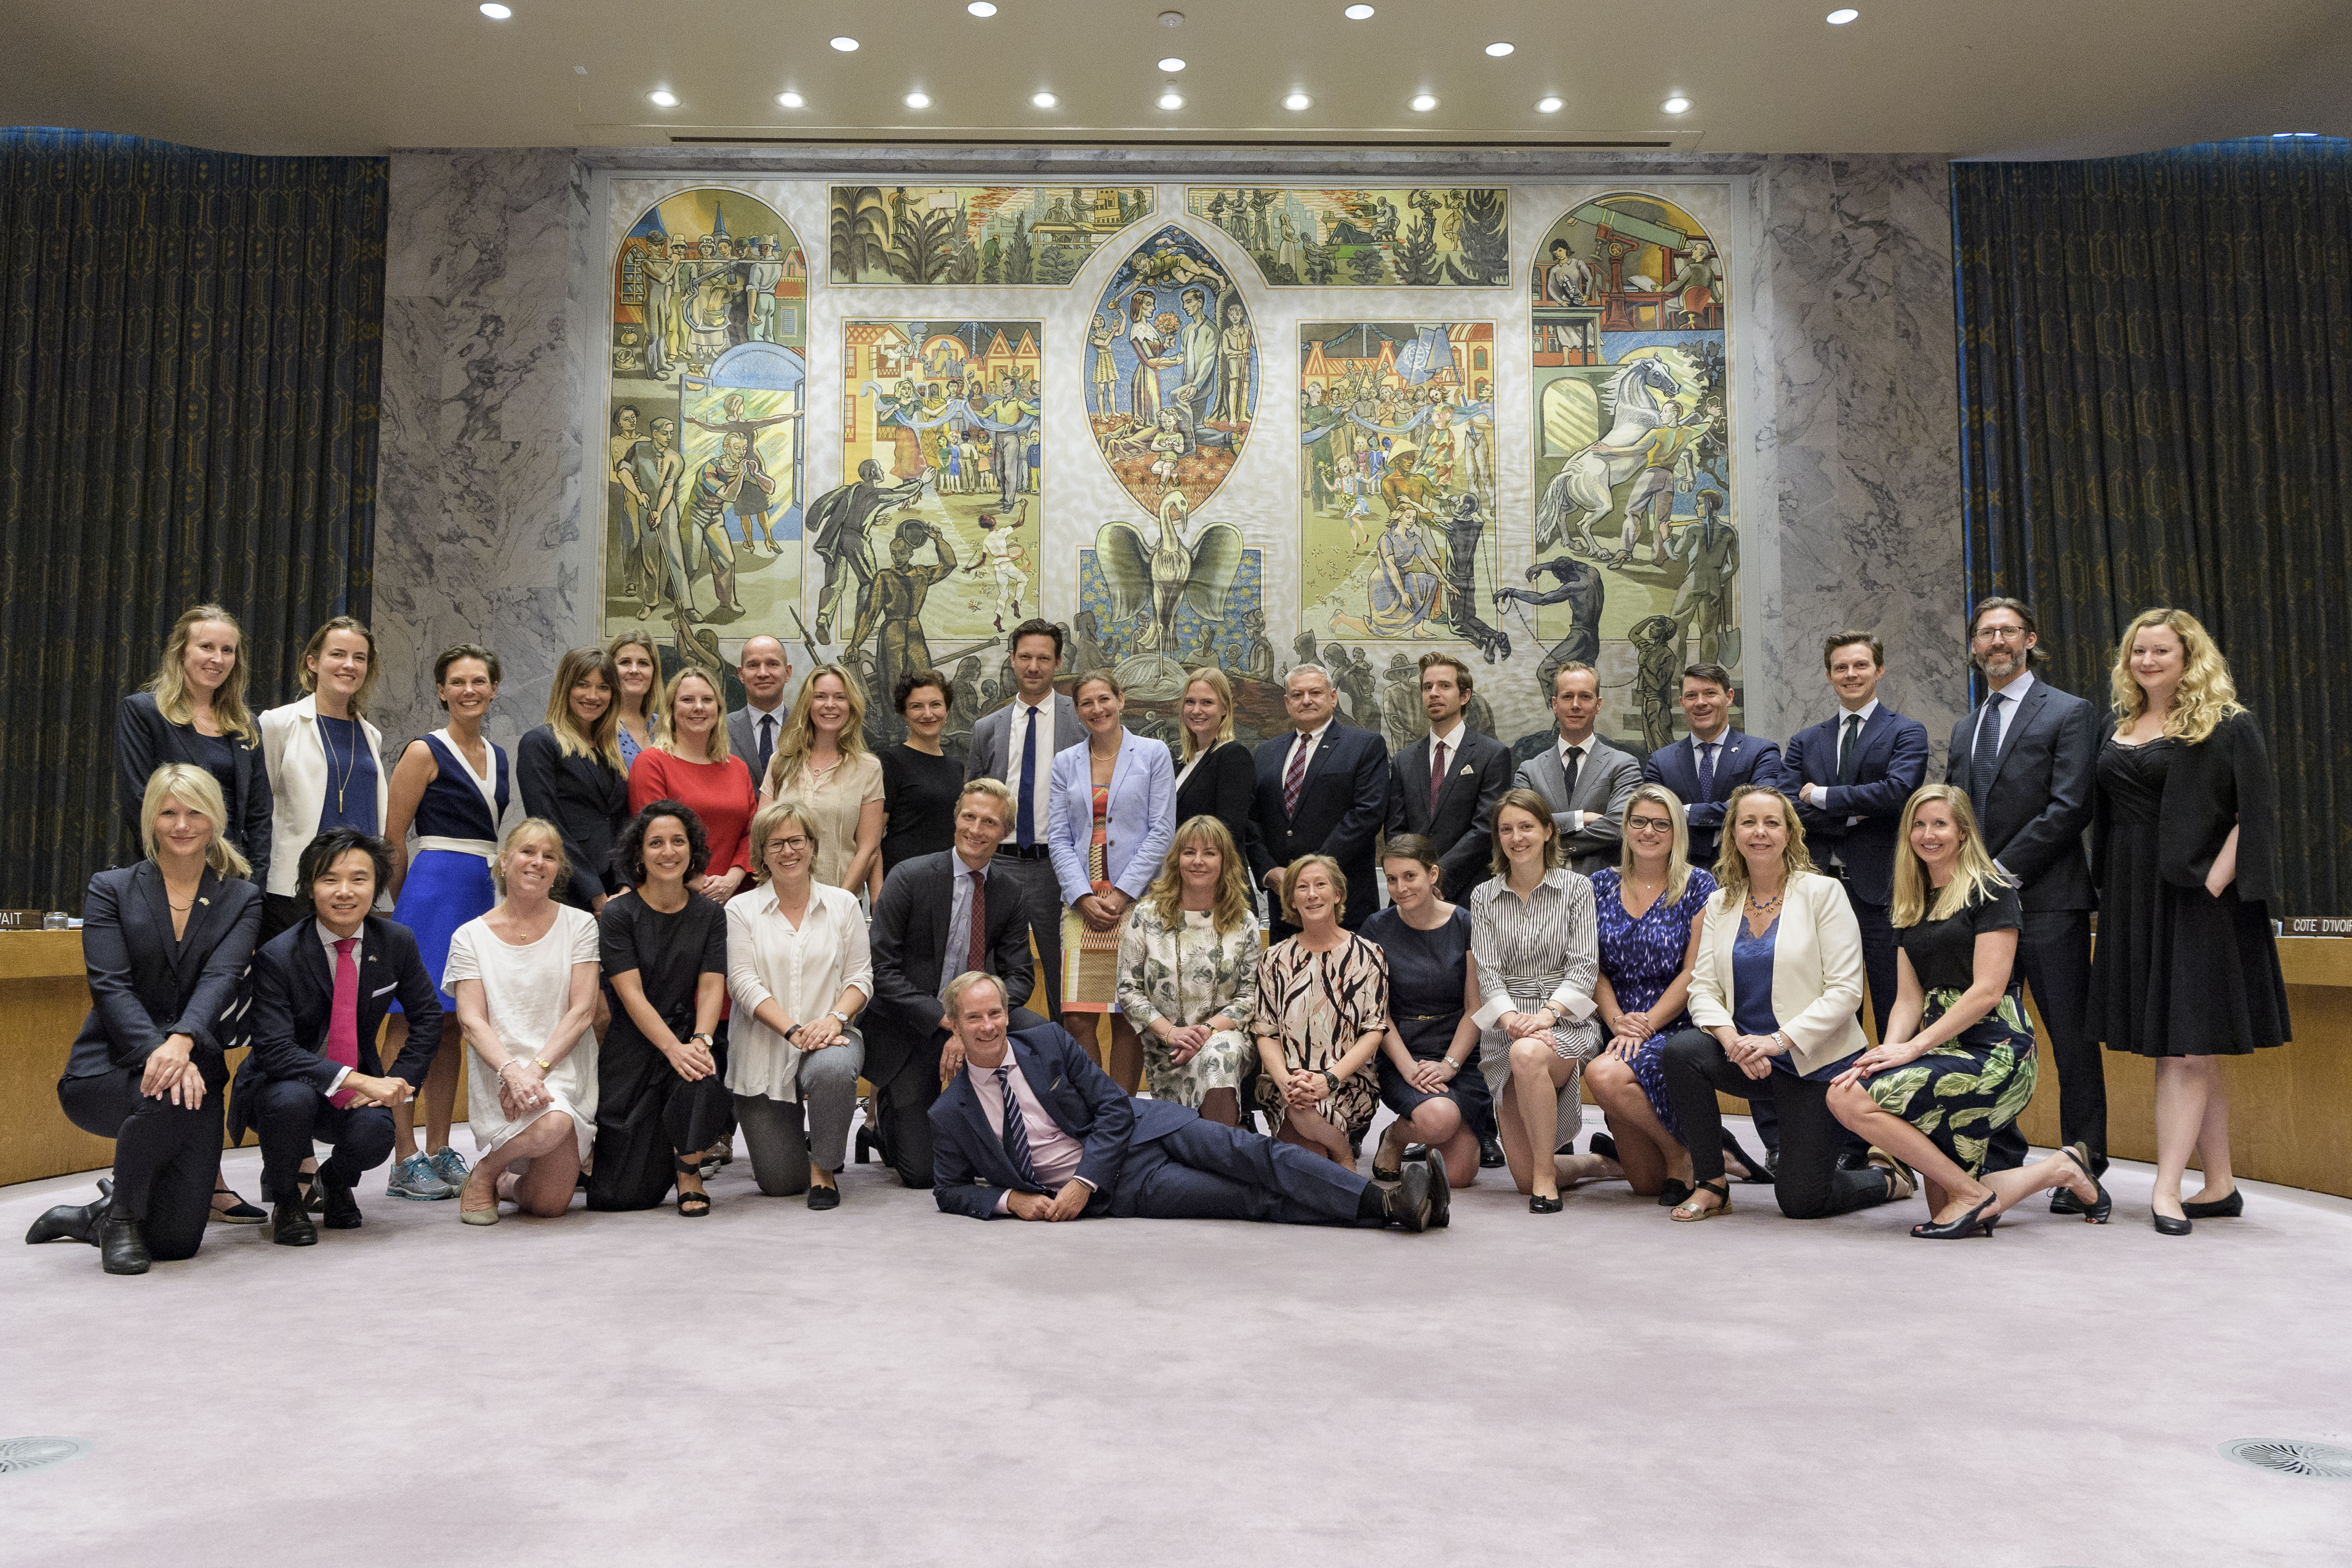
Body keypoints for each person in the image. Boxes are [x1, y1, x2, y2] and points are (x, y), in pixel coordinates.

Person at [929, 972, 1440, 1230]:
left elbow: (1112, 1106)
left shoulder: (1046, 1043)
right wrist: (1012, 1201)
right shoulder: (950, 1113)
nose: (989, 1026)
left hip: (1148, 1128)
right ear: (953, 1024)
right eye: (974, 1018)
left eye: (995, 1013)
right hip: (1126, 1185)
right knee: (1245, 1199)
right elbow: (949, 1189)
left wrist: (1082, 1180)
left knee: (1256, 1155)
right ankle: (1397, 1210)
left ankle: (1391, 1202)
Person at [1825, 786, 2108, 1237]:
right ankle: (2061, 1168)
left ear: (1962, 832)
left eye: (1940, 824)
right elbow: (1908, 1000)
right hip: (1941, 1050)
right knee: (1945, 1204)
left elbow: (1987, 992)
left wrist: (1912, 1050)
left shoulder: (1992, 890)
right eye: (1919, 825)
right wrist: (1886, 1053)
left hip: (1997, 1051)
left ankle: (1974, 1195)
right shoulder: (1912, 899)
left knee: (1845, 1098)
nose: (1928, 834)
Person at [2087, 607, 2289, 1235]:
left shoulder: (2228, 724)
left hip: (2200, 902)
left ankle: (2167, 1189)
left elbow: (2255, 816)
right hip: (2134, 899)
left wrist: (2213, 882)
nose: (2147, 661)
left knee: (2186, 1051)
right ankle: (2220, 1184)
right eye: (2138, 651)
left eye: (2161, 651)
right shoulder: (2118, 724)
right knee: (2187, 1047)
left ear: (2189, 657)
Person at [29, 766, 264, 1272]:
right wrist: (162, 1052)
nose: (181, 824)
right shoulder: (111, 888)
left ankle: (92, 1216)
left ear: (215, 819)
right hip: (109, 1068)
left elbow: (221, 978)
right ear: (150, 820)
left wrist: (182, 1043)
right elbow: (110, 985)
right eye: (168, 812)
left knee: (177, 1243)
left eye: (195, 812)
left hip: (197, 1074)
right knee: (160, 1094)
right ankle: (121, 1222)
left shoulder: (241, 897)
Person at [1658, 786, 1905, 1223]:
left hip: (1815, 1064)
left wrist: (1777, 1041)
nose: (1760, 832)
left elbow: (1846, 992)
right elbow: (1703, 989)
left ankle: (1887, 1179)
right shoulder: (1720, 903)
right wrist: (1732, 1041)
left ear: (1790, 833)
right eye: (1748, 822)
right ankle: (1712, 1184)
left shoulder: (1824, 893)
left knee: (1802, 1201)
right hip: (1749, 1058)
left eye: (1772, 823)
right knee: (1681, 1052)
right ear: (1732, 834)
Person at [1944, 597, 2101, 1193]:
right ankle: (2001, 1160)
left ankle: (2084, 1165)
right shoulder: (1966, 727)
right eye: (1986, 633)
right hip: (1982, 914)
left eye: (2009, 631)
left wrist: (1997, 874)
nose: (1997, 642)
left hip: (2050, 904)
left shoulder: (2069, 712)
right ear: (1974, 646)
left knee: (2070, 1040)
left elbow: (2070, 807)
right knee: (1991, 1039)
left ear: (2030, 640)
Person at [237, 828, 441, 1246]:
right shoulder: (278, 955)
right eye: (330, 879)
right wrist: (359, 1080)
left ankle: (333, 1182)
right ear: (309, 888)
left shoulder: (397, 942)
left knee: (376, 1134)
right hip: (282, 1084)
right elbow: (275, 1050)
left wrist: (399, 1081)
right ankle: (286, 1201)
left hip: (354, 1087)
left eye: (359, 879)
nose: (344, 892)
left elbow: (428, 1017)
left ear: (377, 886)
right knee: (291, 1101)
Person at [1582, 786, 1755, 1205]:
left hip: (1675, 1022)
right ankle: (1693, 1149)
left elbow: (1693, 971)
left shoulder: (1698, 885)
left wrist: (1645, 1025)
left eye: (1662, 824)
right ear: (1626, 828)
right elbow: (1592, 967)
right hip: (1618, 1021)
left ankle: (1683, 1155)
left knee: (1603, 1075)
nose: (1649, 832)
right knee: (1645, 1186)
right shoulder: (1598, 885)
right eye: (1639, 822)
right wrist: (1617, 1021)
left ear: (1677, 832)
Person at [866, 778, 1042, 1189]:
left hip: (977, 1021)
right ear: (956, 818)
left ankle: (1027, 1129)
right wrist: (949, 1022)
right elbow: (881, 970)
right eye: (969, 817)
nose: (976, 830)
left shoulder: (1009, 892)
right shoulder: (909, 877)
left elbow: (1020, 976)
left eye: (990, 822)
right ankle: (885, 1115)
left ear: (1005, 832)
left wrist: (976, 1021)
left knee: (1039, 1033)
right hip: (913, 1022)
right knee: (922, 1174)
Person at [381, 644, 510, 1203]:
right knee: (410, 1019)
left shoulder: (499, 757)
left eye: (479, 681)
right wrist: (405, 906)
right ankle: (403, 1154)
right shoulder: (423, 751)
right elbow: (393, 838)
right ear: (441, 690)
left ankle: (439, 1146)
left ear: (494, 689)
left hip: (480, 890)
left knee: (456, 1021)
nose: (468, 691)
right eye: (457, 682)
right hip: (430, 891)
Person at [442, 819, 601, 1225]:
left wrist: (536, 1072)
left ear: (559, 870)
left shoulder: (580, 925)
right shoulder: (469, 937)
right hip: (501, 1075)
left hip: (560, 1069)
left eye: (550, 856)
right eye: (528, 852)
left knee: (548, 1205)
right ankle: (493, 1170)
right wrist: (513, 1074)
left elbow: (583, 1011)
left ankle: (497, 1177)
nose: (538, 862)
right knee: (553, 1123)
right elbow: (471, 1021)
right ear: (504, 860)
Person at [1779, 630, 1930, 1039]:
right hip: (1817, 889)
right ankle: (1841, 1082)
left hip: (1883, 891)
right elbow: (1787, 807)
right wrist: (1849, 817)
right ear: (1829, 676)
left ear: (1879, 671)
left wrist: (1822, 796)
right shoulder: (1805, 741)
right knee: (1828, 1009)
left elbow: (1897, 793)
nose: (1851, 674)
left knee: (1893, 1002)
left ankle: (1894, 1079)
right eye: (1841, 668)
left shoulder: (1907, 732)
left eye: (1861, 665)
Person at [1471, 788, 1614, 1211]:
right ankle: (1602, 1163)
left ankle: (1547, 1179)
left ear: (1549, 831)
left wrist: (1547, 1016)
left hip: (1567, 1018)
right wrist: (1513, 1020)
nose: (1517, 838)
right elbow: (1488, 973)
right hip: (1507, 1023)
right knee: (1522, 1178)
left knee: (1529, 1053)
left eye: (1527, 827)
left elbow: (1585, 968)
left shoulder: (1577, 888)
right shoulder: (1483, 896)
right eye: (1507, 830)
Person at [727, 802, 872, 1209]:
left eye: (797, 841)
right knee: (781, 1183)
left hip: (831, 1037)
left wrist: (835, 1020)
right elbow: (742, 983)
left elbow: (861, 978)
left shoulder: (843, 904)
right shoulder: (740, 909)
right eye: (776, 844)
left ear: (812, 845)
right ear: (762, 852)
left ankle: (824, 1168)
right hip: (763, 1049)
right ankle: (806, 1145)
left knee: (834, 1069)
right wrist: (793, 1031)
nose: (788, 851)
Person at [590, 801, 732, 1215]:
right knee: (620, 1198)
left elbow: (712, 985)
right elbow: (630, 994)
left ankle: (689, 1171)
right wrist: (673, 1050)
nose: (668, 852)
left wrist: (701, 1042)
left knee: (703, 1074)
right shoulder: (618, 914)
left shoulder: (710, 914)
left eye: (678, 841)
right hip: (633, 1046)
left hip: (689, 1034)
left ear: (692, 850)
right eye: (656, 843)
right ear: (639, 853)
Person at [1048, 670, 1176, 1091]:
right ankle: (1095, 1107)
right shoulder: (1065, 762)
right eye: (1087, 702)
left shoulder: (1153, 753)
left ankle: (1121, 1112)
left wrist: (1122, 894)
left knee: (1128, 1016)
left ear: (1121, 700)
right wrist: (1082, 896)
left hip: (1136, 903)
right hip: (1082, 905)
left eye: (1104, 699)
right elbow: (1059, 837)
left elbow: (1162, 831)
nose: (1097, 709)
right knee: (1078, 1016)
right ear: (1077, 710)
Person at [965, 618, 1086, 1018]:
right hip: (999, 864)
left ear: (1058, 663)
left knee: (1063, 974)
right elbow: (973, 799)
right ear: (1013, 660)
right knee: (988, 967)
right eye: (1026, 657)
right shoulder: (987, 728)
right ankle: (994, 1050)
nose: (1034, 667)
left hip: (1058, 865)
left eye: (1044, 659)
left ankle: (1062, 1053)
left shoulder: (1080, 721)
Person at [1360, 835, 1486, 1193]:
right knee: (1439, 1118)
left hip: (1459, 1050)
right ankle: (1398, 1136)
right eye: (1392, 879)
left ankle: (1423, 1127)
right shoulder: (1376, 928)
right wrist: (1409, 1069)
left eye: (1410, 876)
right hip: (1402, 1050)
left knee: (1459, 1176)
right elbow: (1378, 1013)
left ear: (1432, 875)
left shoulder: (1467, 924)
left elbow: (1475, 1007)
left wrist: (1450, 1065)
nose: (1400, 888)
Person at [1115, 816, 1260, 1127]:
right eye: (1189, 852)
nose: (1198, 861)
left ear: (1225, 861)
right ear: (1176, 859)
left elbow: (1250, 997)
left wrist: (1206, 1032)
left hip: (1223, 1037)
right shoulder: (1147, 915)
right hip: (1166, 1045)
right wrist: (1172, 1033)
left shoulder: (1244, 921)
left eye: (1210, 853)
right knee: (1180, 1134)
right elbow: (1128, 989)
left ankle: (1223, 1151)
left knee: (1218, 1058)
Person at [115, 603, 273, 885]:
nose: (218, 659)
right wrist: (195, 869)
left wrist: (253, 884)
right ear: (181, 652)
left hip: (235, 879)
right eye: (206, 647)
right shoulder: (144, 712)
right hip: (170, 874)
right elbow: (140, 801)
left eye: (227, 650)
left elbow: (259, 814)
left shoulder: (245, 724)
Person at [1250, 856, 1387, 1169]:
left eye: (1320, 885)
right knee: (1306, 1166)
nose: (1312, 894)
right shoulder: (1274, 959)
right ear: (1292, 900)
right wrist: (1285, 1081)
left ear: (1337, 894)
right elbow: (1266, 1033)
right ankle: (1339, 1155)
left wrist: (1329, 1079)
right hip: (1289, 1088)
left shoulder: (1369, 955)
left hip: (1347, 1084)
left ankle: (1342, 1152)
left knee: (1309, 1145)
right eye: (1302, 887)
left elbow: (1374, 1032)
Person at [258, 616, 387, 940]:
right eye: (338, 654)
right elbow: (258, 810)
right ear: (313, 662)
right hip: (295, 890)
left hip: (355, 890)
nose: (349, 665)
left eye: (360, 658)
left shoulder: (371, 735)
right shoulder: (278, 724)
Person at [1249, 664, 1388, 937]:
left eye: (1315, 693)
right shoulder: (1265, 752)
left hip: (1345, 905)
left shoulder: (1365, 745)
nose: (1307, 700)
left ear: (1333, 698)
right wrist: (1268, 871)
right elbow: (1252, 820)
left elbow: (1367, 813)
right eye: (1297, 695)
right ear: (1287, 703)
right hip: (1285, 907)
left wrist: (1312, 874)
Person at [1386, 653, 1514, 901]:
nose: (1434, 693)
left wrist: (1435, 878)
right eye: (1427, 687)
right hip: (1410, 896)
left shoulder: (1492, 755)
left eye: (1444, 686)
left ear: (1465, 696)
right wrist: (1414, 879)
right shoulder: (1404, 760)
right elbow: (1396, 831)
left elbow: (1485, 829)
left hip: (1469, 893)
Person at [517, 646, 630, 916]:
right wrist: (596, 895)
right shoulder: (540, 743)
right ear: (565, 688)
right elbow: (549, 825)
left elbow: (621, 823)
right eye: (583, 685)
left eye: (603, 687)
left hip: (614, 890)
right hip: (565, 887)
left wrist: (624, 885)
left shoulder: (611, 750)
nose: (593, 696)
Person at [757, 664, 885, 902]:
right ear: (808, 704)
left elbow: (868, 849)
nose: (830, 705)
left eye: (840, 697)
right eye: (821, 697)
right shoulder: (780, 761)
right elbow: (762, 836)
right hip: (781, 901)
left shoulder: (869, 768)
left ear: (851, 706)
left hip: (842, 901)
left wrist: (840, 902)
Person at [628, 666, 755, 902]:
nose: (699, 707)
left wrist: (733, 878)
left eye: (707, 700)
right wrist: (702, 884)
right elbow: (653, 837)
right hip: (672, 898)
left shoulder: (738, 767)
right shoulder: (651, 763)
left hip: (736, 897)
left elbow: (752, 832)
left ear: (719, 709)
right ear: (671, 709)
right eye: (687, 700)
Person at [1642, 662, 1780, 871]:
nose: (1701, 703)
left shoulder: (1761, 752)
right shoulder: (1661, 762)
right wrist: (1730, 811)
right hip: (1679, 874)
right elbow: (1653, 817)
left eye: (1710, 693)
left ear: (1729, 697)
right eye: (1691, 696)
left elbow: (1760, 808)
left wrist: (1684, 812)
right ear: (1682, 703)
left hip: (1746, 870)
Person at [1515, 662, 1642, 876]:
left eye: (1585, 697)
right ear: (1555, 704)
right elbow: (1519, 828)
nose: (1576, 705)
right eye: (1567, 697)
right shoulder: (1529, 771)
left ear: (1598, 705)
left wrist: (1546, 844)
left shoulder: (1624, 765)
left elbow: (1619, 827)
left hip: (1603, 888)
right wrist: (1580, 818)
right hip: (1541, 888)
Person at [1170, 669, 1260, 883]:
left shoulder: (1233, 756)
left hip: (1219, 885)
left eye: (1207, 703)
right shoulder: (1182, 762)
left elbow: (1228, 831)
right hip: (1185, 880)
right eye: (1190, 702)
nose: (1196, 710)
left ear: (1225, 709)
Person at [877, 669, 964, 875]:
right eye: (917, 706)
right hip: (902, 879)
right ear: (904, 714)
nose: (928, 714)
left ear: (947, 709)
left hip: (946, 878)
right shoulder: (890, 761)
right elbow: (873, 838)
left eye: (936, 705)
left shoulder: (957, 768)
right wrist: (879, 890)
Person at [725, 634, 795, 789]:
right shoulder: (721, 729)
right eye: (753, 665)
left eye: (772, 664)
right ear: (741, 674)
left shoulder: (805, 726)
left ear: (788, 672)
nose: (763, 673)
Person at [606, 632, 663, 771]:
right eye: (625, 662)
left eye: (643, 663)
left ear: (654, 672)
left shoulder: (663, 726)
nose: (634, 670)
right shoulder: (600, 724)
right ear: (610, 669)